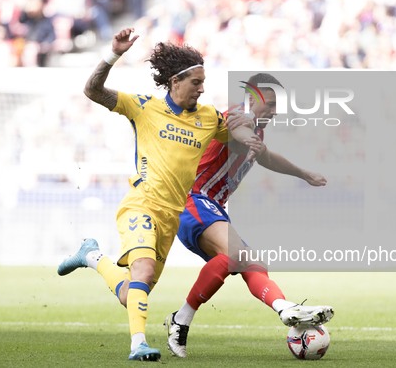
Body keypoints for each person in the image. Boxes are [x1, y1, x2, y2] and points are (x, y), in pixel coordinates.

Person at [58, 27, 257, 361]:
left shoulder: (208, 118)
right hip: (141, 205)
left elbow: (236, 135)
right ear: (175, 81)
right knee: (144, 272)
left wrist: (249, 126)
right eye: (196, 82)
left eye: (203, 81)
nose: (202, 88)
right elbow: (92, 90)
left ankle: (91, 256)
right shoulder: (143, 107)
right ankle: (138, 344)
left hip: (171, 216)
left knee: (133, 291)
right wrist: (113, 54)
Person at [164, 73, 334, 358]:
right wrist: (249, 139)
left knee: (249, 263)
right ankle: (285, 309)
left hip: (212, 209)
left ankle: (182, 320)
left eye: (277, 106)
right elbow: (237, 129)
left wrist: (303, 174)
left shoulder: (258, 132)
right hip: (193, 199)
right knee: (238, 255)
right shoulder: (236, 114)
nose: (274, 111)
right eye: (269, 103)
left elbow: (266, 156)